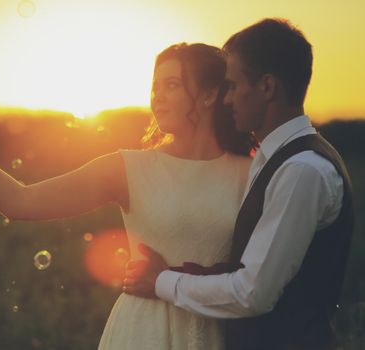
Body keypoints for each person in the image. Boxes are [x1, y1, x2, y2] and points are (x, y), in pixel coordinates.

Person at [0, 43, 254, 349]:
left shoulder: (254, 171)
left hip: (224, 330)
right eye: (155, 85)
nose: (157, 96)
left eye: (172, 84)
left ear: (210, 94)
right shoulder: (128, 168)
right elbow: (20, 201)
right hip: (146, 331)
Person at [123, 18, 354, 350]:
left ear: (267, 87)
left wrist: (161, 281)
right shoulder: (274, 160)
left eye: (232, 86)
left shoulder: (301, 171)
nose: (226, 99)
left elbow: (252, 293)